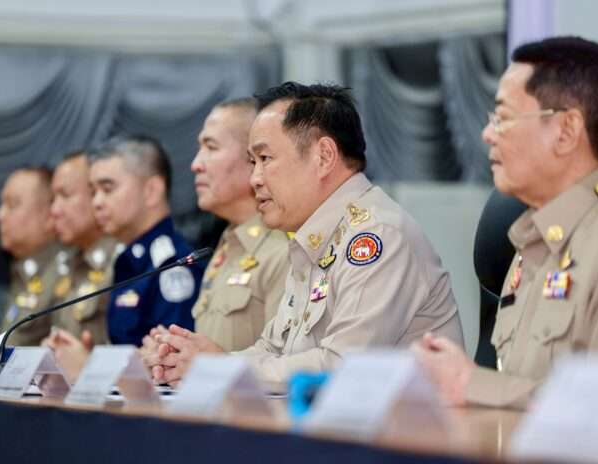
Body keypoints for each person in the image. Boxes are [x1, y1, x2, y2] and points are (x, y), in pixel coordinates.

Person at [146, 82, 463, 386]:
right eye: (252, 162)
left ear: (324, 157)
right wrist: (200, 360)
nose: (255, 178)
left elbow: (344, 366)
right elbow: (273, 350)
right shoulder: (315, 240)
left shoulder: (376, 236)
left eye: (265, 159)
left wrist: (223, 368)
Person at [412, 36, 598, 409]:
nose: (487, 134)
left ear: (566, 131)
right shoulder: (531, 241)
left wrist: (470, 383)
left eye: (504, 118)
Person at [142, 98, 290, 355]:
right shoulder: (224, 247)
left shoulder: (284, 250)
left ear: (253, 158)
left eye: (211, 147)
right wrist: (174, 355)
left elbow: (285, 364)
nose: (195, 164)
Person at [89, 136, 203, 346]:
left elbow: (171, 357)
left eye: (107, 188)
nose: (96, 202)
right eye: (93, 192)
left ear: (151, 191)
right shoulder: (129, 258)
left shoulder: (172, 264)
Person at [48, 151, 119, 346]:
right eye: (53, 198)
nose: (54, 210)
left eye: (65, 195)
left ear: (95, 195)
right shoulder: (68, 263)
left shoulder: (122, 262)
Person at [0, 167, 61, 346]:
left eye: (12, 205)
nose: (0, 215)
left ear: (50, 214)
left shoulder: (63, 274)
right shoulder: (23, 271)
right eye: (2, 205)